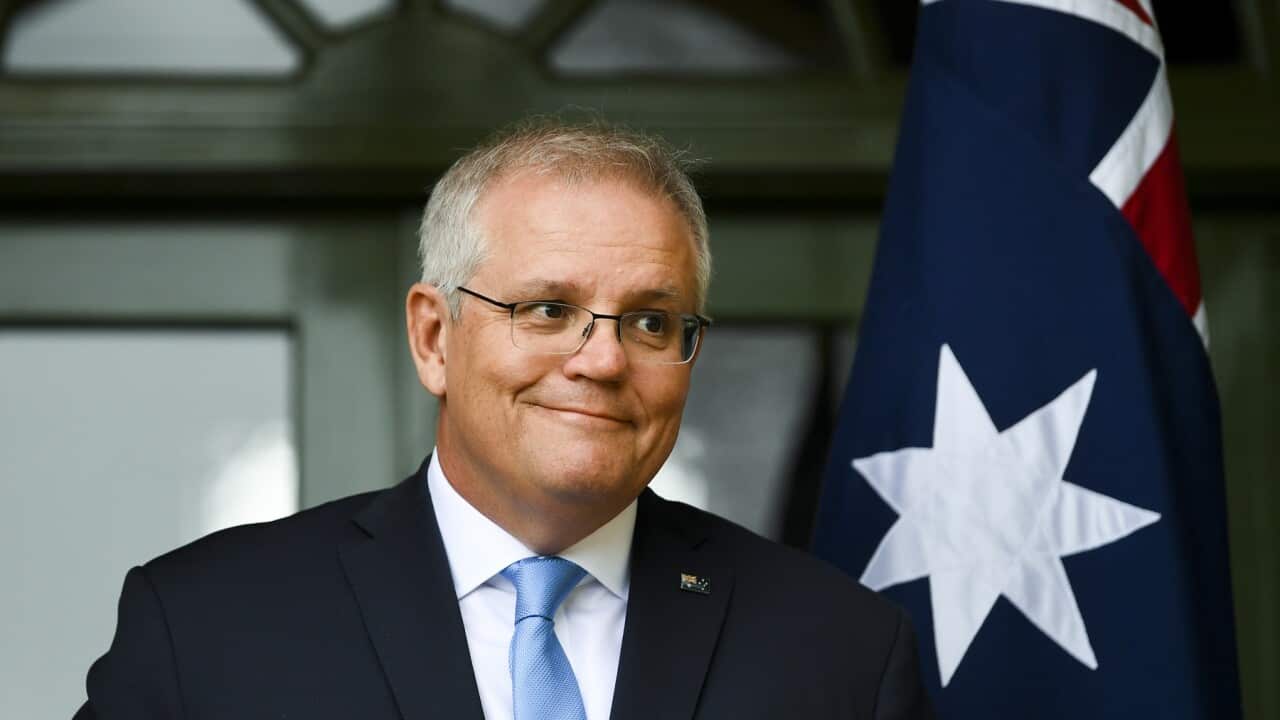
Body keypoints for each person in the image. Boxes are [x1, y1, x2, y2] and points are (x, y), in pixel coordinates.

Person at [75, 117, 933, 719]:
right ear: (433, 336)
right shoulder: (205, 625)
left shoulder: (841, 651)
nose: (601, 359)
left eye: (649, 321)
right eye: (549, 309)